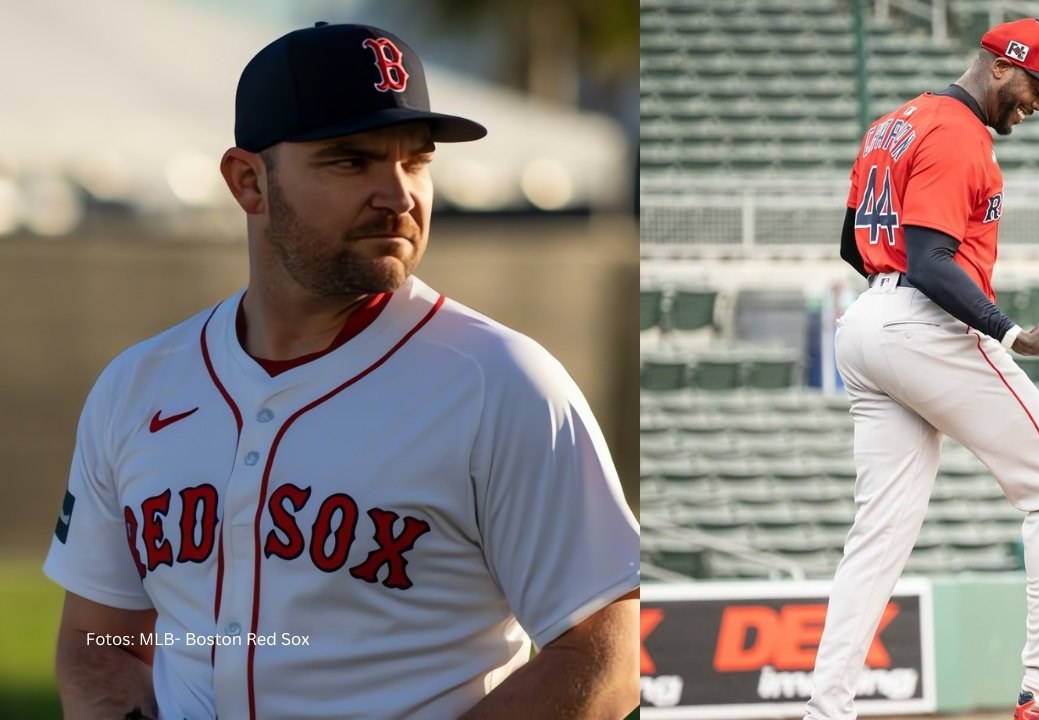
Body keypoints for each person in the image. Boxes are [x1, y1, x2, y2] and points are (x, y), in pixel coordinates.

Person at [44, 22, 639, 720]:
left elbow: (608, 649)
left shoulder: (501, 383)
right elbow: (99, 638)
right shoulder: (137, 386)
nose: (398, 194)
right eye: (350, 161)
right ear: (248, 183)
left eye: (415, 162)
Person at [804, 18, 1039, 720]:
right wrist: (1013, 334)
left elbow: (851, 245)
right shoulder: (957, 133)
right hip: (922, 321)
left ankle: (825, 710)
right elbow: (929, 262)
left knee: (877, 536)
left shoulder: (896, 122)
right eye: (1038, 86)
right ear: (1001, 66)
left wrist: (893, 310)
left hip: (866, 324)